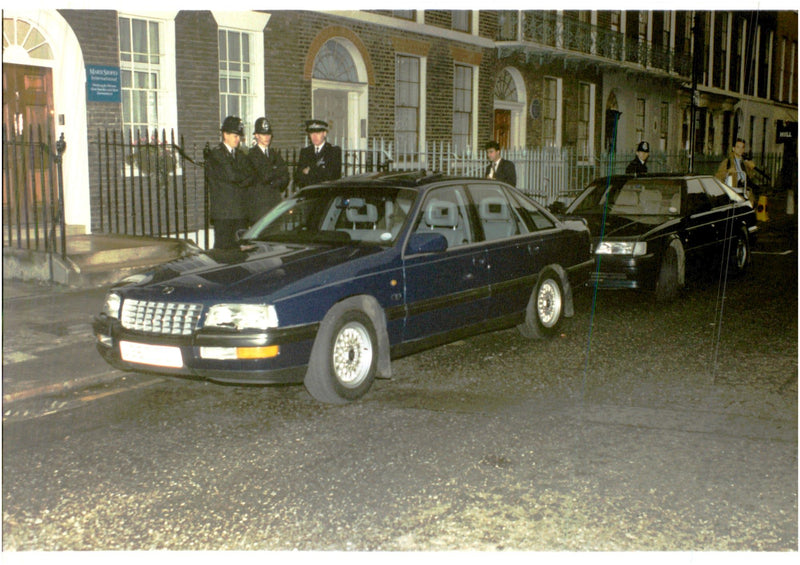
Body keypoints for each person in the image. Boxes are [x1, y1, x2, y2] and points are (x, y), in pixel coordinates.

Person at [205, 116, 255, 249]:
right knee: (223, 252)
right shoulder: (216, 155)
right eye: (235, 136)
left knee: (241, 252)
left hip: (240, 213)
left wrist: (240, 179)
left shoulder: (240, 155)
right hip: (224, 214)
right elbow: (232, 175)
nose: (238, 139)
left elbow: (251, 176)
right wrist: (241, 178)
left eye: (239, 136)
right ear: (225, 135)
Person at [246, 117, 289, 225]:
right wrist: (276, 172)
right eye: (263, 134)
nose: (267, 137)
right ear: (256, 135)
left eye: (269, 134)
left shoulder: (274, 154)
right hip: (259, 207)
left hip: (274, 204)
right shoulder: (252, 155)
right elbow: (265, 175)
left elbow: (286, 176)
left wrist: (275, 181)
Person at [294, 119, 342, 189]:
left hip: (326, 192)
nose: (314, 136)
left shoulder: (333, 151)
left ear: (324, 133)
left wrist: (309, 171)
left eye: (318, 133)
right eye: (312, 133)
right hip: (309, 193)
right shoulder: (305, 152)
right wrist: (318, 171)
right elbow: (298, 176)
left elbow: (332, 175)